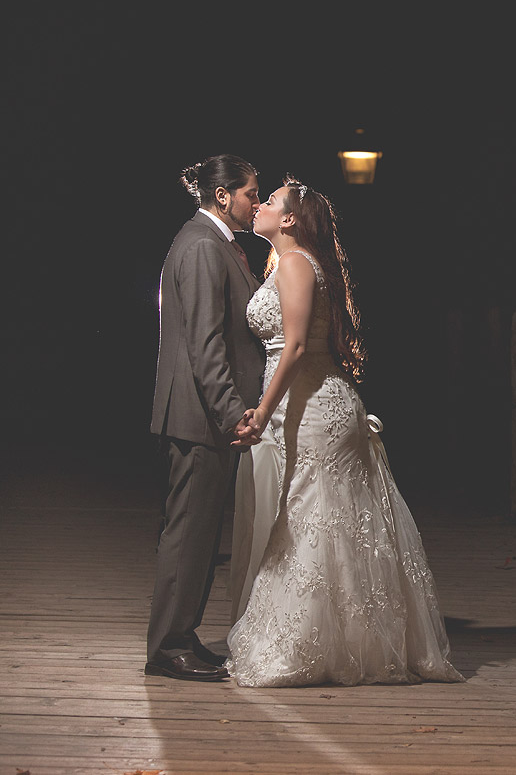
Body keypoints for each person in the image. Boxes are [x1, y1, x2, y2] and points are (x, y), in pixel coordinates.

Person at [225, 177, 464, 687]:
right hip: (312, 404)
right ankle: (342, 643)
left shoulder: (294, 264)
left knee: (309, 523)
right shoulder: (293, 263)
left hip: (313, 408)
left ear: (289, 219)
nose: (261, 204)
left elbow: (291, 347)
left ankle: (312, 647)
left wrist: (262, 413)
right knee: (322, 522)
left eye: (270, 201)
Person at [147, 155, 265, 682]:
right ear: (224, 196)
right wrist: (231, 411)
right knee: (189, 531)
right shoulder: (200, 245)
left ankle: (183, 635)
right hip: (199, 416)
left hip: (204, 415)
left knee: (199, 533)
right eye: (251, 193)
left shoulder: (213, 242)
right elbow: (205, 342)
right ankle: (169, 646)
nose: (256, 202)